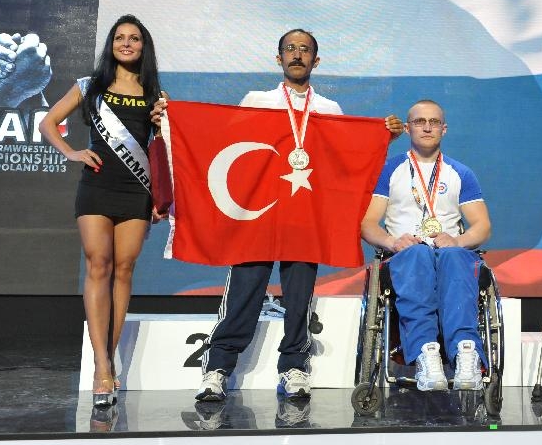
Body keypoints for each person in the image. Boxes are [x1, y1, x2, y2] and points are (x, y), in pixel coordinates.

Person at [151, 28, 404, 403]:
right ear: (278, 58)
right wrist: (172, 121)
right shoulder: (257, 99)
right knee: (242, 293)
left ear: (315, 61)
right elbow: (221, 142)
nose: (297, 54)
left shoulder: (329, 109)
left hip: (304, 217)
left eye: (305, 50)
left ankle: (294, 368)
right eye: (290, 49)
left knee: (299, 297)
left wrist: (381, 137)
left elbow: (344, 158)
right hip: (258, 217)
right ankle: (217, 368)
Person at [39, 14, 164, 407]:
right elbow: (48, 122)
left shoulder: (154, 92)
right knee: (98, 265)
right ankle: (102, 368)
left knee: (124, 270)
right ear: (111, 44)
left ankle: (107, 359)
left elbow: (163, 152)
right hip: (96, 186)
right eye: (120, 37)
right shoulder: (89, 87)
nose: (127, 43)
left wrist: (165, 126)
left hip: (135, 192)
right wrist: (71, 151)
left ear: (144, 47)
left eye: (135, 39)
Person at [360, 99, 492, 392]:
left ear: (444, 129)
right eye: (420, 122)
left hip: (448, 255)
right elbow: (368, 224)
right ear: (407, 128)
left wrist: (457, 241)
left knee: (456, 256)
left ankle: (465, 354)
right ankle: (426, 354)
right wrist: (392, 242)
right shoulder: (390, 170)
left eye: (434, 122)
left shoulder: (460, 173)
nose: (427, 127)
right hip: (406, 255)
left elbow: (482, 226)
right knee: (418, 253)